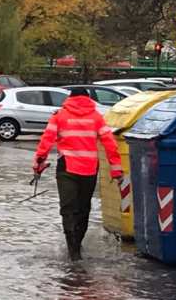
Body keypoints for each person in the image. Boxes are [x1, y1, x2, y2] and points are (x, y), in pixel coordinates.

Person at [33, 88, 123, 261]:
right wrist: (116, 170)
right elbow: (110, 144)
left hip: (67, 168)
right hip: (89, 169)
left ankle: (72, 249)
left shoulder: (59, 116)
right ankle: (77, 246)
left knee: (68, 209)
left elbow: (47, 140)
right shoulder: (96, 118)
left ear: (70, 99)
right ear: (88, 99)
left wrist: (38, 163)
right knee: (83, 209)